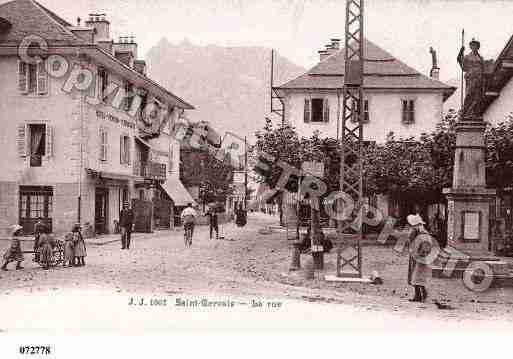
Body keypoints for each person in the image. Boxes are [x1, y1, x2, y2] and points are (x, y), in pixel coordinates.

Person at [406, 214, 433, 303]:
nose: (411, 228)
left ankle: (421, 295)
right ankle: (419, 295)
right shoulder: (422, 233)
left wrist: (419, 254)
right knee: (416, 277)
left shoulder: (422, 235)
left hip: (421, 258)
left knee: (417, 277)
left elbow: (424, 246)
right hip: (418, 256)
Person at [457, 38, 485, 120]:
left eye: (476, 45)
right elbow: (463, 66)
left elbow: (483, 69)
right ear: (470, 47)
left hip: (479, 79)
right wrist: (460, 52)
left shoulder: (481, 58)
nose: (474, 47)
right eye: (472, 45)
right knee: (469, 94)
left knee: (478, 97)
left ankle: (474, 113)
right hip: (471, 78)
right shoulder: (467, 57)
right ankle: (465, 112)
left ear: (478, 47)